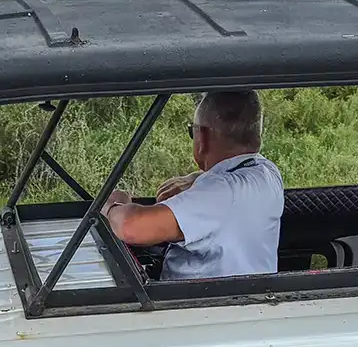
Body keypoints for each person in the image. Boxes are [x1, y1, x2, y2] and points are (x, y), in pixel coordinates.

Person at [101, 89, 283, 280]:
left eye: (192, 131)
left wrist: (112, 204)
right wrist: (195, 178)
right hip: (250, 299)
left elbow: (131, 227)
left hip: (203, 305)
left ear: (202, 138)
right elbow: (226, 183)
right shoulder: (267, 172)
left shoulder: (219, 194)